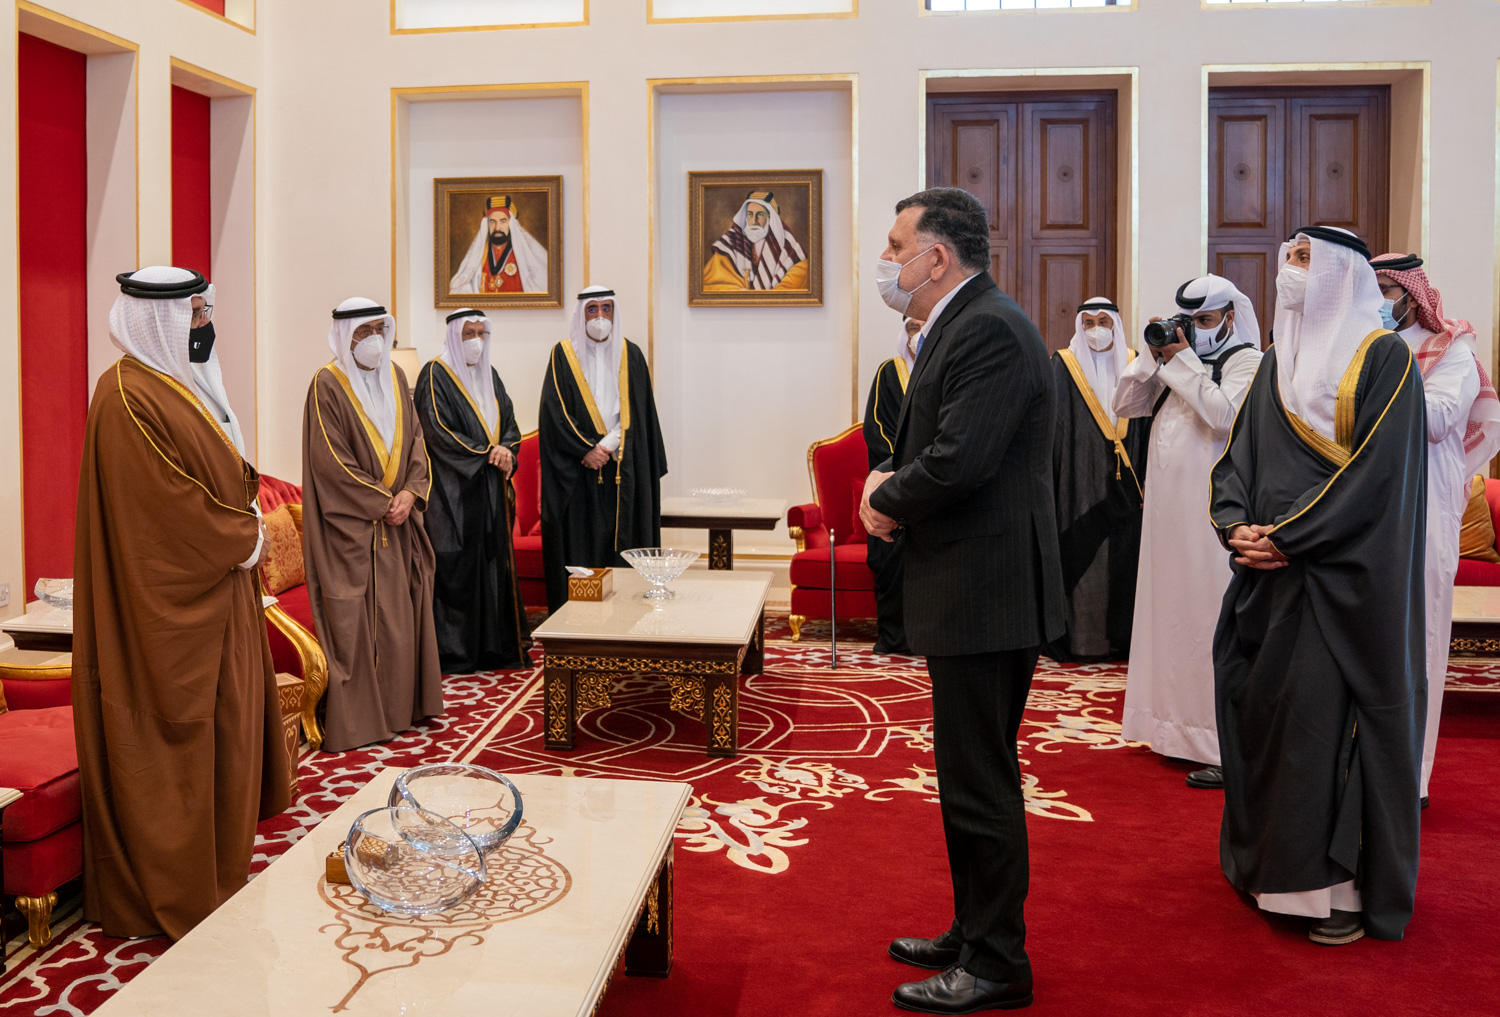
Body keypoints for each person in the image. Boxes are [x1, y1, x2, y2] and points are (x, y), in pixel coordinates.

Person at [860, 187, 1063, 1014]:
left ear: (935, 257)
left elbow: (960, 459)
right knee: (966, 771)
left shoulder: (988, 328)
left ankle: (997, 960)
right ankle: (973, 929)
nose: (886, 259)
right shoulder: (966, 321)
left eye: (895, 244)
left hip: (989, 592)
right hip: (974, 588)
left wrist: (885, 498)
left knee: (980, 779)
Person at [1211, 226, 1427, 945]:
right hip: (1269, 580)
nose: (1291, 270)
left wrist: (1290, 536)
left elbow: (1378, 476)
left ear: (1343, 272)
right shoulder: (1277, 362)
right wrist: (1235, 526)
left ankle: (1336, 891)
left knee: (1321, 727)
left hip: (1342, 580)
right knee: (1268, 715)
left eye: (1306, 259)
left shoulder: (1385, 357)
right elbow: (1238, 459)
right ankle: (1272, 871)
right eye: (1289, 257)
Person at [73, 266, 290, 940]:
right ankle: (174, 888)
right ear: (155, 319)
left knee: (228, 735)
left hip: (220, 593)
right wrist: (244, 535)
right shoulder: (125, 396)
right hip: (167, 618)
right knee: (184, 739)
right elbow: (167, 508)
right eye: (193, 315)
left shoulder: (177, 383)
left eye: (204, 312)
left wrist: (241, 533)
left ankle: (219, 876)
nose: (204, 325)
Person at [1113, 275, 1262, 788]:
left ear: (1229, 317)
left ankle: (1218, 741)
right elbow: (1125, 405)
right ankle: (1169, 729)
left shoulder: (1247, 361)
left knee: (1205, 616)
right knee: (1167, 612)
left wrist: (1181, 361)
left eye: (1204, 320)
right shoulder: (1181, 361)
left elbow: (1224, 418)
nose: (1195, 329)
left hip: (1211, 516)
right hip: (1166, 516)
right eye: (1189, 321)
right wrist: (1152, 356)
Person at [1369, 253, 1500, 804]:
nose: (1378, 300)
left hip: (1423, 505)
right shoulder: (1357, 347)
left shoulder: (1452, 349)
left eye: (1386, 289)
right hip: (1362, 509)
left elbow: (1438, 419)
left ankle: (1408, 776)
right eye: (1370, 288)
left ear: (1411, 293)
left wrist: (1378, 369)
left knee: (1416, 636)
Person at [301, 297, 443, 751]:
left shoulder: (396, 376)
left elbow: (417, 441)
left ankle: (402, 710)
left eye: (379, 330)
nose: (373, 341)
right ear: (345, 336)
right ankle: (363, 721)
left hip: (399, 526)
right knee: (358, 626)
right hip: (353, 530)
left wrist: (411, 493)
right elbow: (330, 461)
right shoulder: (326, 384)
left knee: (400, 623)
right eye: (363, 333)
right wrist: (382, 502)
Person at [538, 286, 668, 612]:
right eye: (592, 309)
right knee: (582, 543)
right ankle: (579, 619)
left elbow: (640, 413)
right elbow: (554, 413)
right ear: (581, 314)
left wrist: (608, 444)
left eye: (606, 309)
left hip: (624, 467)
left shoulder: (631, 355)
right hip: (578, 471)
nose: (600, 317)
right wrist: (586, 449)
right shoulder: (562, 355)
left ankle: (629, 618)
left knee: (623, 543)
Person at [415, 307, 530, 673]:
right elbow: (436, 431)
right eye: (469, 334)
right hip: (452, 494)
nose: (476, 341)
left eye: (481, 334)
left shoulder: (490, 375)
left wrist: (507, 449)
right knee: (457, 569)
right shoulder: (435, 374)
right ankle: (457, 652)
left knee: (492, 566)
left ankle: (494, 648)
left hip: (490, 490)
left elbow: (510, 424)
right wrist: (486, 453)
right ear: (454, 336)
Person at [1047, 297, 1149, 661]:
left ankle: (1123, 640)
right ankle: (1081, 641)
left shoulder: (1137, 363)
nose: (1096, 330)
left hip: (1130, 480)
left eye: (1103, 321)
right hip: (1077, 480)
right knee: (1080, 553)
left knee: (1126, 557)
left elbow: (1148, 423)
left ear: (1116, 325)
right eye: (1088, 323)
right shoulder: (1063, 364)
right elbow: (1053, 427)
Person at [862, 315, 922, 655]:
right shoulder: (890, 371)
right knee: (893, 561)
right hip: (893, 483)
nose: (917, 334)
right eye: (912, 328)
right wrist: (903, 466)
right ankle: (896, 639)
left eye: (923, 327)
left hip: (933, 483)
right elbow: (876, 429)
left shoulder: (946, 369)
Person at [702, 190, 809, 292]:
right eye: (750, 214)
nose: (753, 221)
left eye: (760, 215)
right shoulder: (733, 242)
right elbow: (710, 284)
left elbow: (794, 285)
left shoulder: (790, 248)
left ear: (770, 218)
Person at [449, 195, 549, 294]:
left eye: (503, 221)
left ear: (511, 224)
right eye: (492, 222)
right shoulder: (479, 254)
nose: (497, 228)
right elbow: (462, 286)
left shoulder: (524, 254)